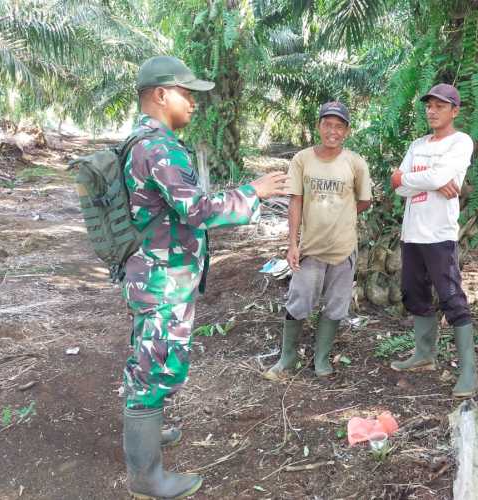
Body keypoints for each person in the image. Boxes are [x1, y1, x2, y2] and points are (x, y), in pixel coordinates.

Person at [120, 55, 288, 499]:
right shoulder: (159, 147)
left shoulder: (145, 141)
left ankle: (150, 434)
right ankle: (146, 478)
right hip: (161, 278)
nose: (193, 103)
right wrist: (254, 192)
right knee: (154, 364)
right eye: (186, 93)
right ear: (160, 95)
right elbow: (195, 210)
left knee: (149, 356)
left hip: (154, 272)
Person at [264, 101, 372, 381]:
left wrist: (340, 214)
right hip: (310, 249)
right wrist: (293, 243)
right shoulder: (302, 160)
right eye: (327, 124)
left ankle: (321, 358)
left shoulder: (355, 163)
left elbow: (364, 200)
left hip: (343, 248)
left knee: (336, 305)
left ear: (346, 131)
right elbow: (295, 201)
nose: (332, 131)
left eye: (339, 126)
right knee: (299, 301)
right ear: (319, 126)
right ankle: (287, 357)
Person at [388, 83, 478, 398]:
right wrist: (429, 181)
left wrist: (416, 180)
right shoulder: (417, 144)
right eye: (429, 105)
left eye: (440, 106)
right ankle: (424, 354)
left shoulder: (460, 142)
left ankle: (469, 371)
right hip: (411, 232)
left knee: (451, 296)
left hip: (439, 234)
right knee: (414, 293)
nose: (432, 111)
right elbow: (397, 186)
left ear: (454, 110)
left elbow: (425, 179)